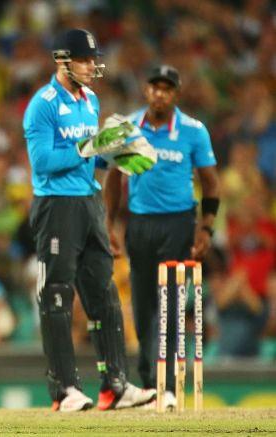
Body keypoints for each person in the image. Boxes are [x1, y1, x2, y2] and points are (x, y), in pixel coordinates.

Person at [22, 28, 156, 412]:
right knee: (58, 295)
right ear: (62, 61)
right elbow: (44, 162)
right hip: (56, 206)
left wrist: (116, 155)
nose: (92, 66)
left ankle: (115, 386)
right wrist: (90, 147)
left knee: (105, 295)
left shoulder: (91, 99)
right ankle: (64, 390)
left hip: (89, 203)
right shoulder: (43, 105)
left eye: (94, 60)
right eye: (84, 60)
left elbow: (90, 156)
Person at [104, 65, 220, 410]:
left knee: (170, 306)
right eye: (154, 87)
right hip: (140, 225)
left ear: (176, 95)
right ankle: (149, 384)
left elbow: (211, 183)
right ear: (145, 90)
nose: (159, 94)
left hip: (179, 223)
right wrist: (109, 224)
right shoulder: (128, 128)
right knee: (142, 309)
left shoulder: (192, 131)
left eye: (167, 89)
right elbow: (113, 179)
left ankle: (168, 386)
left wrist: (206, 228)